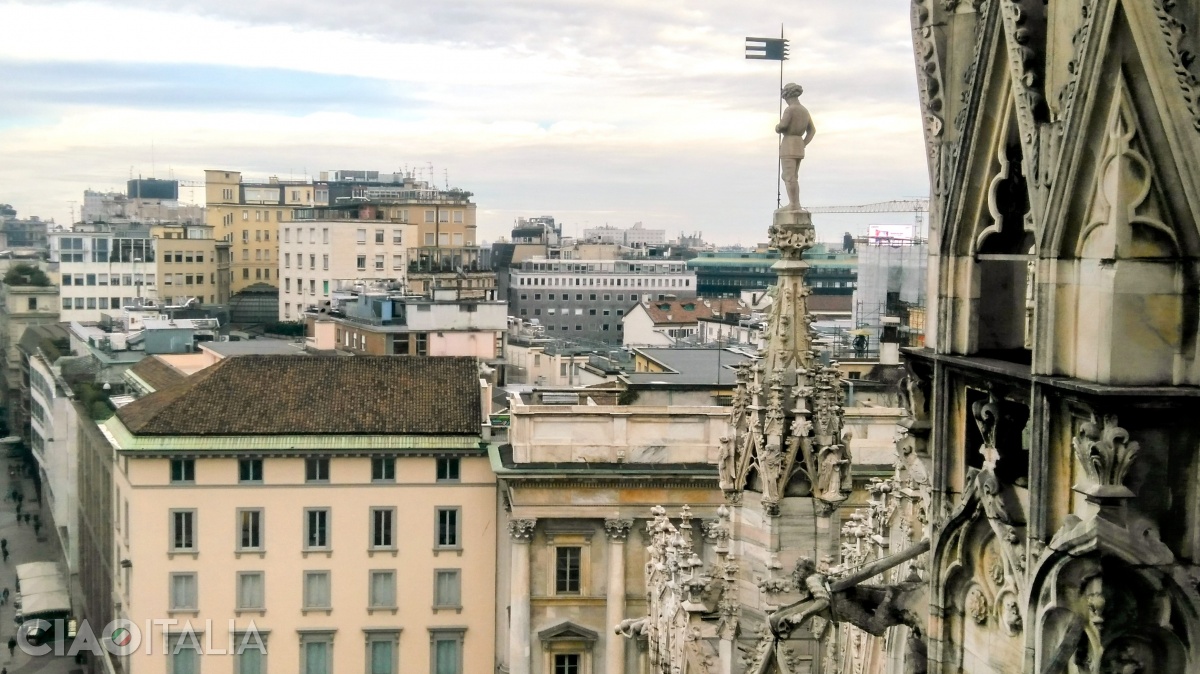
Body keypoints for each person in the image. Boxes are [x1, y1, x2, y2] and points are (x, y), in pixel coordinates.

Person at [776, 82, 817, 210]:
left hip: (789, 144)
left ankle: (794, 204)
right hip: (798, 144)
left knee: (788, 176)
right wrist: (803, 144)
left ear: (787, 96)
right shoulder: (804, 110)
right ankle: (795, 203)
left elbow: (783, 126)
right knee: (793, 176)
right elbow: (812, 131)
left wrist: (777, 128)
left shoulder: (790, 109)